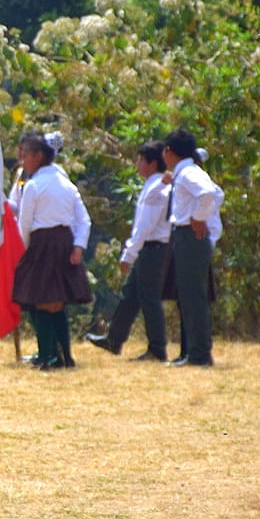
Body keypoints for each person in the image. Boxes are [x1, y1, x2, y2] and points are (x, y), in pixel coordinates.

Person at [12, 130, 92, 371]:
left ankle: (48, 356)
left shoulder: (34, 186)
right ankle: (64, 356)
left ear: (38, 156)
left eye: (25, 155)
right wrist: (78, 245)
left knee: (42, 300)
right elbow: (84, 220)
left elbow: (25, 224)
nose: (22, 160)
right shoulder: (67, 185)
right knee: (57, 302)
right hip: (65, 242)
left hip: (42, 243)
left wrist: (21, 252)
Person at [85, 141, 171, 362]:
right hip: (151, 248)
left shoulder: (156, 189)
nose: (137, 164)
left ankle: (157, 348)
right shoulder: (155, 186)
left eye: (141, 160)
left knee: (149, 299)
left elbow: (144, 227)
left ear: (152, 164)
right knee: (130, 295)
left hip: (153, 248)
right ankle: (114, 339)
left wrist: (128, 255)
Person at [161, 128, 224, 368]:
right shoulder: (184, 172)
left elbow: (209, 193)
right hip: (185, 235)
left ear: (169, 152)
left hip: (190, 235)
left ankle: (199, 354)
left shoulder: (188, 172)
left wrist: (198, 218)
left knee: (194, 297)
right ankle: (194, 352)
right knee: (188, 295)